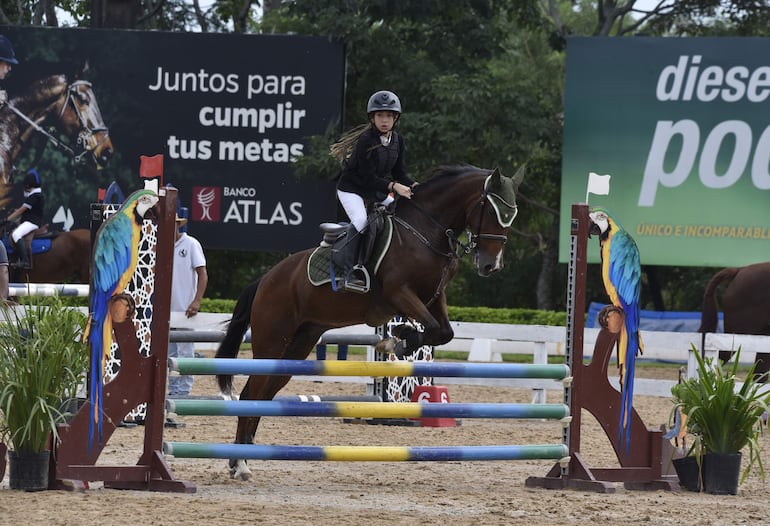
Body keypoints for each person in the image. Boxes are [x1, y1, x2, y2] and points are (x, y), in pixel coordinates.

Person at [333, 90, 417, 288]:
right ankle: (350, 272)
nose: (384, 120)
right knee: (362, 222)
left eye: (389, 116)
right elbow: (368, 178)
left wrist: (415, 186)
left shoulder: (398, 141)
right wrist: (394, 187)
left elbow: (400, 173)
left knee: (399, 214)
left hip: (373, 190)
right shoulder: (366, 141)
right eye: (380, 115)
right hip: (352, 189)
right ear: (372, 118)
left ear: (395, 118)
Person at [167, 213, 208, 402]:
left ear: (177, 225)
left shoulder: (190, 244)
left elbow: (202, 273)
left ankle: (183, 391)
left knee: (185, 353)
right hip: (167, 311)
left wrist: (196, 300)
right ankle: (174, 390)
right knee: (170, 354)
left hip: (185, 310)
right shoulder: (161, 247)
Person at [6, 169, 43, 269]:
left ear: (28, 185)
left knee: (16, 234)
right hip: (29, 221)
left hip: (32, 223)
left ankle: (24, 261)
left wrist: (7, 219)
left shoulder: (35, 196)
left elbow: (21, 210)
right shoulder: (35, 195)